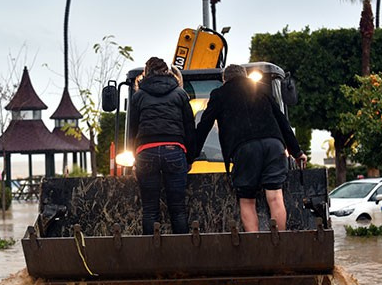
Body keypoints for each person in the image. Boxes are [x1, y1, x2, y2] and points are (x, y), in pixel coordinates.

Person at [195, 64, 307, 232]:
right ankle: (280, 243)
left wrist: (191, 155)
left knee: (247, 200)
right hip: (274, 145)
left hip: (244, 149)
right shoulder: (261, 90)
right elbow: (282, 121)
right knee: (275, 197)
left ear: (224, 80)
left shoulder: (219, 95)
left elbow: (204, 126)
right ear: (245, 76)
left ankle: (255, 245)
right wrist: (297, 152)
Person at [129, 57, 196, 235]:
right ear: (167, 72)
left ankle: (150, 257)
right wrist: (190, 158)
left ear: (147, 72)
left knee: (150, 210)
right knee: (178, 209)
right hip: (174, 150)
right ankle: (183, 256)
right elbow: (189, 127)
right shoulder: (180, 94)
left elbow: (132, 129)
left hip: (146, 151)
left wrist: (134, 157)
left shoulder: (138, 96)